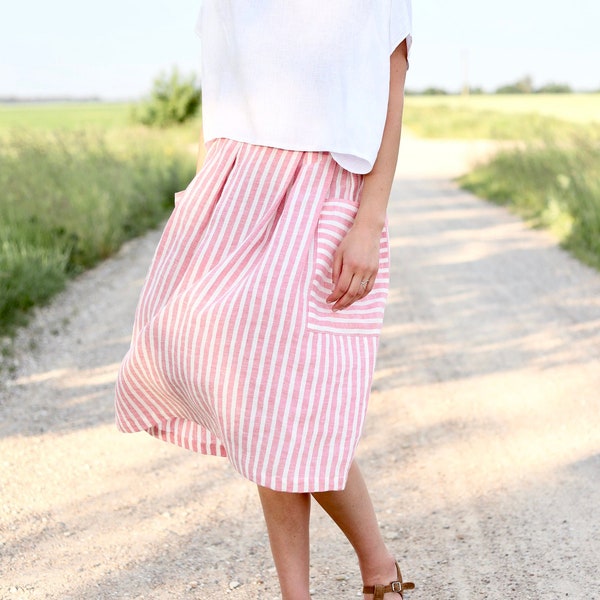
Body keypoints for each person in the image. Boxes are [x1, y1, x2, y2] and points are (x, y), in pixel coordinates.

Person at [115, 1, 413, 598]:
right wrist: (198, 204)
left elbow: (390, 98)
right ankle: (304, 591)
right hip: (234, 188)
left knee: (292, 405)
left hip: (325, 189)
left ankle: (378, 566)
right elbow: (219, 98)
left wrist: (369, 222)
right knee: (260, 403)